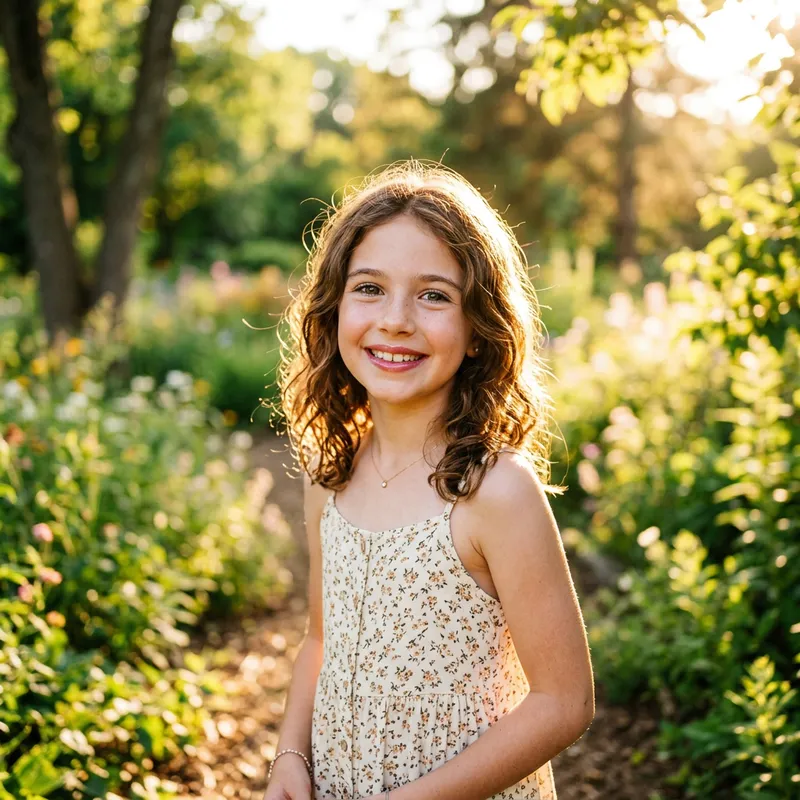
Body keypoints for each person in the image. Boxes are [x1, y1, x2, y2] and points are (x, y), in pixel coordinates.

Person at [264, 161, 594, 800]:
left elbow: (564, 701)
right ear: (333, 308)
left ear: (478, 329)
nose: (395, 320)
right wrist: (290, 757)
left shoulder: (494, 492)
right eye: (369, 288)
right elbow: (320, 638)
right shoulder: (329, 471)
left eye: (434, 295)